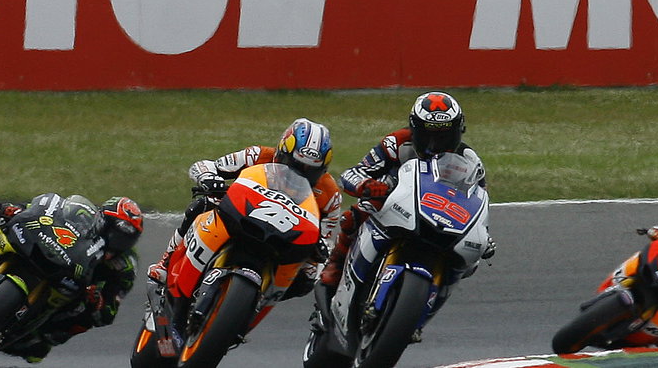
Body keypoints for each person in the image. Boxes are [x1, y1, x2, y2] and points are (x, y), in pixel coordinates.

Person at [0, 194, 143, 364]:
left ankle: (38, 335)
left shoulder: (125, 265)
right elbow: (41, 211)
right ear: (100, 220)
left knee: (77, 322)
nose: (113, 242)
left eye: (123, 240)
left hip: (74, 286)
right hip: (48, 250)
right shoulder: (81, 214)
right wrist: (14, 210)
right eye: (111, 232)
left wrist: (97, 303)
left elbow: (109, 312)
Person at [146, 117, 341, 297]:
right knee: (203, 204)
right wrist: (209, 178)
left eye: (311, 172)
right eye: (293, 165)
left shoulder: (330, 194)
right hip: (241, 216)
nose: (299, 174)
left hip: (284, 239)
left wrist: (321, 250)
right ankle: (165, 263)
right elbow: (204, 166)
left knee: (306, 279)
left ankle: (251, 309)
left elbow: (327, 240)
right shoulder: (258, 155)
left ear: (323, 169)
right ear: (281, 152)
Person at [325, 92, 485, 289]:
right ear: (414, 129)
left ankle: (439, 289)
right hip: (396, 204)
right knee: (356, 214)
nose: (435, 145)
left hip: (442, 214)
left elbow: (479, 201)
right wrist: (367, 186)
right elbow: (353, 173)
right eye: (428, 136)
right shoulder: (397, 143)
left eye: (444, 136)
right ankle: (335, 265)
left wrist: (484, 233)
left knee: (471, 259)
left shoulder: (469, 160)